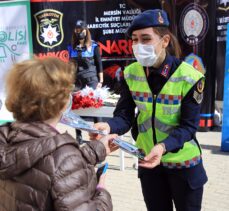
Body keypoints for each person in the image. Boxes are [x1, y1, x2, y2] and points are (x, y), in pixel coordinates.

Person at [90, 9, 208, 211]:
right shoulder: (131, 73)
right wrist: (108, 126)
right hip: (149, 165)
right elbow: (124, 116)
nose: (138, 46)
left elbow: (188, 127)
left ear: (165, 41)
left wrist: (162, 147)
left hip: (183, 165)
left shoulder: (190, 77)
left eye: (145, 39)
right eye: (134, 40)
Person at [0, 57, 116, 211]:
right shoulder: (64, 157)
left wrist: (94, 151)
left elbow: (39, 157)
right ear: (62, 103)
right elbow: (57, 163)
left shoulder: (6, 138)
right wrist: (102, 194)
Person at [68, 19, 104, 144]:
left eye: (81, 30)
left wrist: (101, 81)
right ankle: (78, 135)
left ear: (86, 30)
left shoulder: (94, 46)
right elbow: (71, 66)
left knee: (95, 107)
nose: (79, 32)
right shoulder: (72, 47)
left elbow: (99, 64)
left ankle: (98, 134)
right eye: (77, 30)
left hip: (92, 80)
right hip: (77, 81)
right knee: (76, 108)